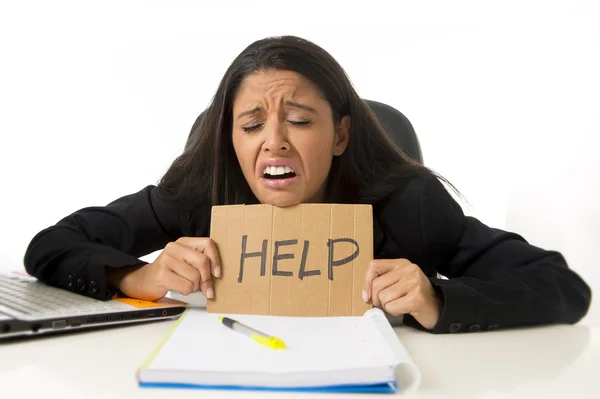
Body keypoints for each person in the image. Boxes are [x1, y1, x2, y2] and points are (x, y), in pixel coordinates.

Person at [23, 35, 591, 334]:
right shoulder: (202, 193)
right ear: (229, 141)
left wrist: (438, 299)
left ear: (341, 135)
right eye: (251, 125)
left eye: (298, 120)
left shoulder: (408, 203)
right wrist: (136, 274)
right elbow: (50, 245)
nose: (274, 142)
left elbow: (561, 286)